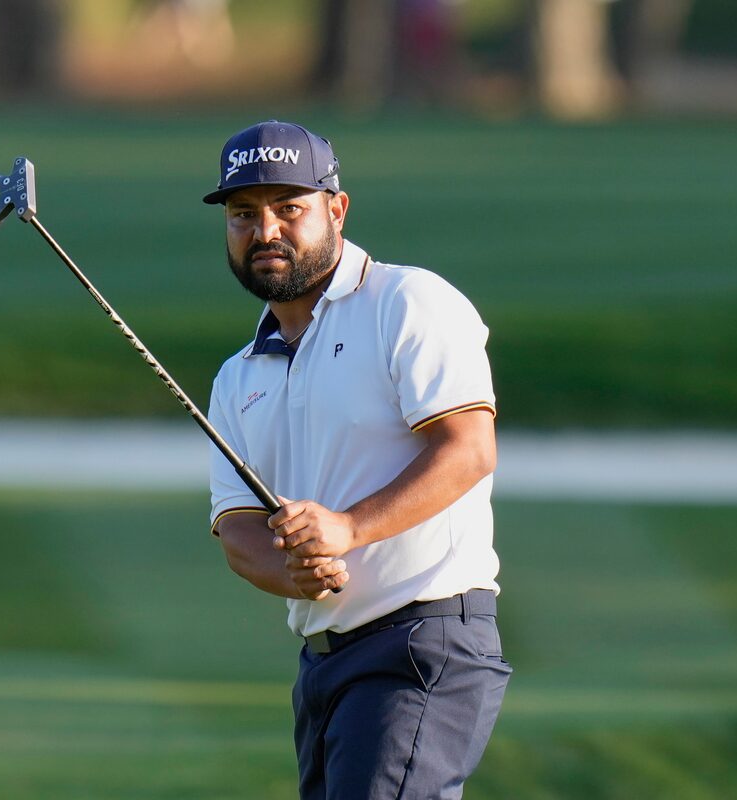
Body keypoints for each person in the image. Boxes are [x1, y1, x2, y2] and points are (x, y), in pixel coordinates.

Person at [204, 120, 510, 799]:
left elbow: (468, 448)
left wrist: (345, 529)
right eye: (243, 215)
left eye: (290, 209)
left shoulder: (405, 304)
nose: (266, 231)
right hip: (323, 668)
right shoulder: (237, 378)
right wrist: (294, 571)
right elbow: (238, 531)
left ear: (336, 210)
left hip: (421, 643)